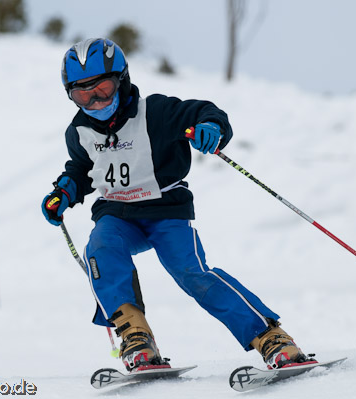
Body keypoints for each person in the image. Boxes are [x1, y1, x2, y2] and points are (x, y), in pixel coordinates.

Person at [41, 38, 316, 373]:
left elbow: (208, 113)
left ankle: (272, 338)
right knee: (99, 249)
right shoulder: (78, 131)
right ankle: (136, 338)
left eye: (102, 89)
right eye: (82, 95)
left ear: (122, 80)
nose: (95, 101)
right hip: (117, 214)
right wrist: (64, 192)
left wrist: (210, 128)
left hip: (166, 211)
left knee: (192, 274)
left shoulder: (155, 112)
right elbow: (82, 169)